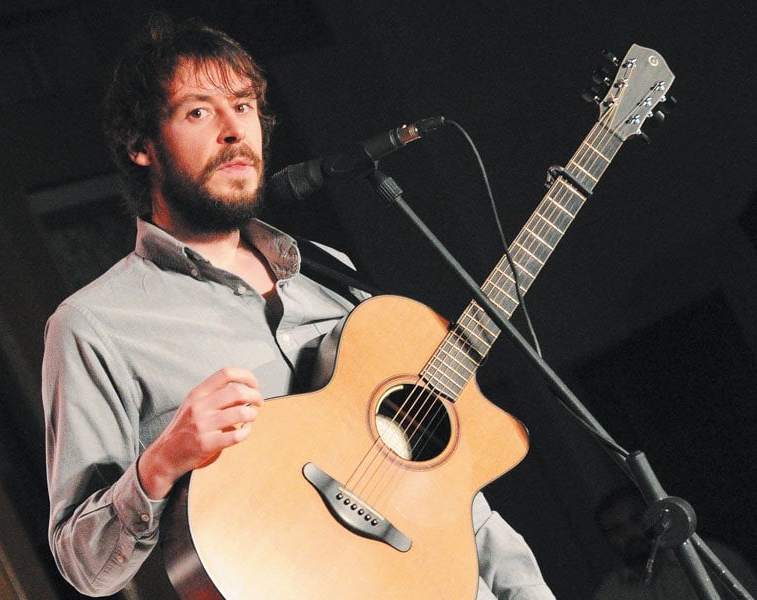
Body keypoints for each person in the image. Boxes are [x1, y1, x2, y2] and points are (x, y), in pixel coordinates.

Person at [42, 14, 555, 599]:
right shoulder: (94, 326)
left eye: (244, 106)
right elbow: (84, 566)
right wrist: (162, 462)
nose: (235, 130)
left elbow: (443, 484)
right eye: (199, 111)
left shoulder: (326, 271)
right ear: (141, 146)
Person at [593, 485, 757, 600]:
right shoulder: (609, 594)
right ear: (607, 539)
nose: (631, 533)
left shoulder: (709, 559)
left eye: (637, 520)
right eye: (616, 529)